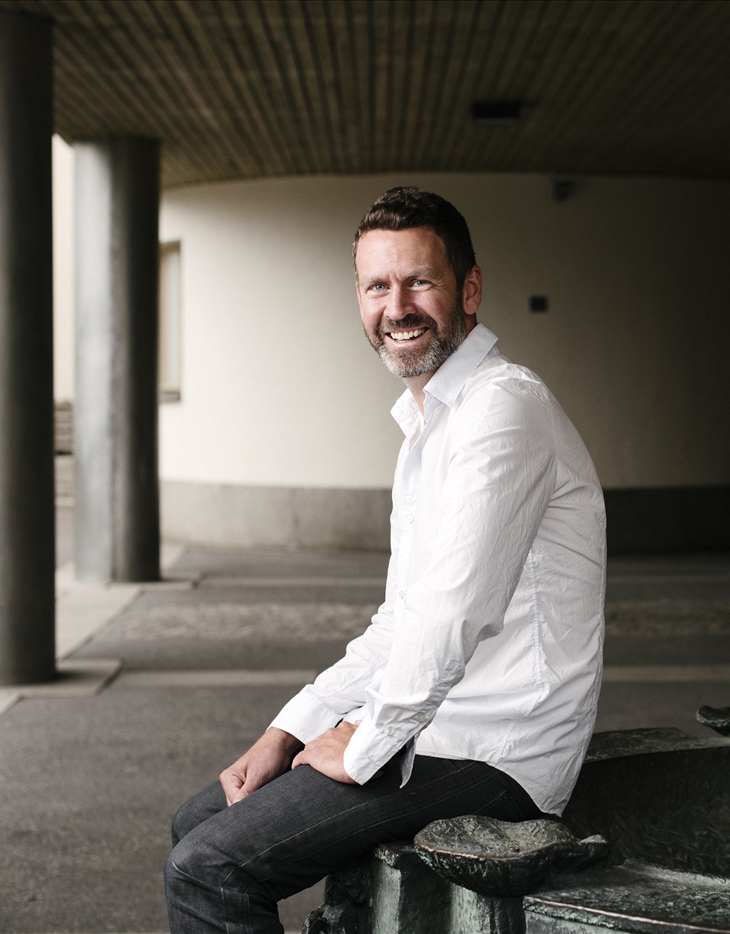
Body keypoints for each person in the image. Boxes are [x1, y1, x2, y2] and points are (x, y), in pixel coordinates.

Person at [164, 186, 607, 933]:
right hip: (435, 731)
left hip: (500, 752)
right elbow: (400, 621)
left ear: (469, 289)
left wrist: (367, 743)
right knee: (200, 820)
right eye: (376, 286)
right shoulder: (428, 427)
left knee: (209, 867)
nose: (396, 307)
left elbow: (453, 613)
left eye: (419, 281)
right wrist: (290, 730)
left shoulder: (505, 407)